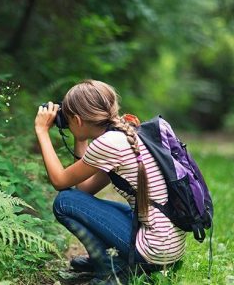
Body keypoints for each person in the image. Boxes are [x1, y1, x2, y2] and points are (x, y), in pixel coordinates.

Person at [34, 80, 186, 284]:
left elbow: (60, 181)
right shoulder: (124, 134)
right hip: (169, 246)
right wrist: (80, 137)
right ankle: (111, 260)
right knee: (75, 200)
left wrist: (42, 131)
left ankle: (111, 270)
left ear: (78, 120)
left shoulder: (108, 144)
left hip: (155, 249)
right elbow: (84, 189)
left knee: (64, 202)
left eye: (69, 121)